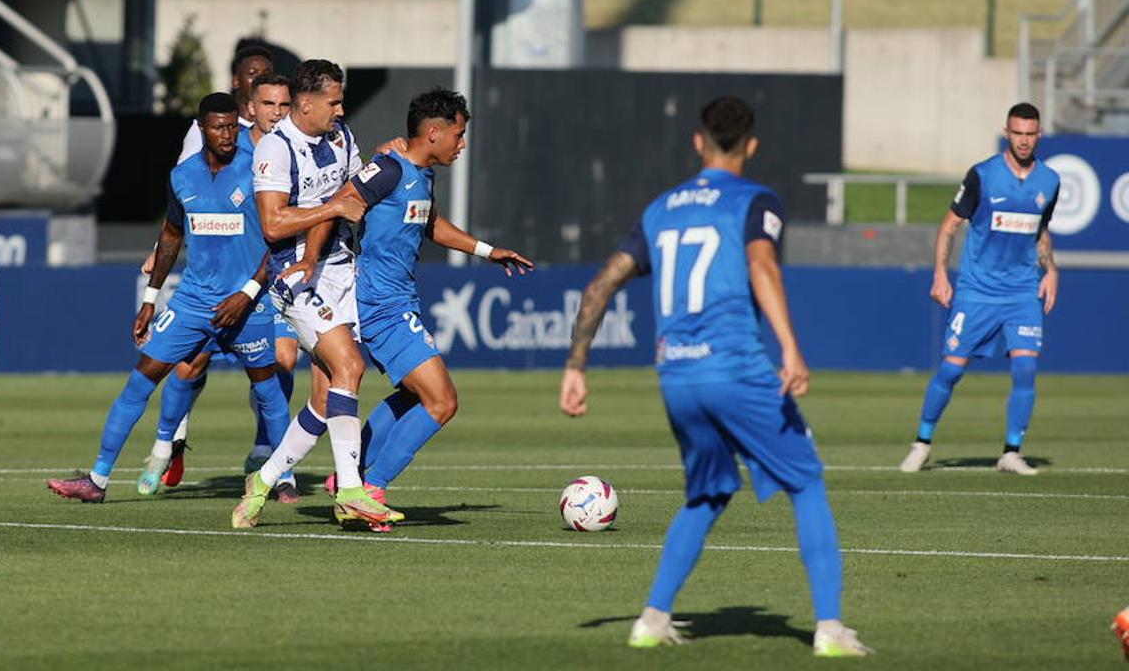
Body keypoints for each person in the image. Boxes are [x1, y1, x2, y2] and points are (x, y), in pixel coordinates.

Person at [558, 96, 870, 657]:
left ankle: (651, 618)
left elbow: (600, 285)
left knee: (708, 493)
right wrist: (792, 348)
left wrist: (576, 366)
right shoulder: (755, 200)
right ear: (751, 146)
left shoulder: (662, 209)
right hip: (736, 369)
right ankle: (830, 629)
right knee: (806, 481)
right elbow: (760, 264)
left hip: (677, 376)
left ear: (698, 141)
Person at [46, 93, 291, 503]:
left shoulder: (257, 171)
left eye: (233, 126)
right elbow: (171, 237)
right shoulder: (183, 177)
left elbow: (278, 236)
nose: (229, 134)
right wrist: (150, 299)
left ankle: (283, 482)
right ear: (202, 129)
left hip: (249, 304)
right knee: (138, 383)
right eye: (219, 127)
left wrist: (248, 293)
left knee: (269, 391)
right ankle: (97, 480)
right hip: (192, 302)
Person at [313, 87, 533, 525]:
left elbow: (429, 223)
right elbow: (336, 207)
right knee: (442, 401)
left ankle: (348, 478)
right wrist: (310, 261)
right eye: (459, 133)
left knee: (416, 394)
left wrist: (489, 251)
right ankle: (370, 487)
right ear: (433, 132)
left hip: (398, 302)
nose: (462, 143)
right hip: (379, 304)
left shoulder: (420, 174)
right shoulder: (389, 169)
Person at [231, 59, 400, 530]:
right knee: (350, 366)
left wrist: (392, 161)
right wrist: (321, 226)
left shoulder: (341, 137)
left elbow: (350, 196)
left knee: (327, 397)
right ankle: (350, 490)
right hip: (295, 278)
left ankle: (261, 483)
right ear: (306, 103)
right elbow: (272, 224)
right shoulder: (276, 149)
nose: (342, 108)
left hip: (342, 269)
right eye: (335, 101)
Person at [143, 74, 304, 503]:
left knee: (282, 363)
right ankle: (169, 443)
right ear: (248, 103)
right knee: (189, 364)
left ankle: (271, 459)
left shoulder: (303, 143)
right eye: (266, 102)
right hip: (226, 276)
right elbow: (185, 205)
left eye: (283, 104)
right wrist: (160, 252)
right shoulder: (223, 144)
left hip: (280, 275)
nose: (275, 111)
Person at [899, 103, 1060, 476]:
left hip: (1022, 292)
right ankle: (922, 442)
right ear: (1007, 132)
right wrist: (940, 273)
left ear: (1039, 135)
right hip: (977, 292)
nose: (1023, 140)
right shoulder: (983, 175)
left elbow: (1040, 230)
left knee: (1025, 369)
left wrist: (1050, 269)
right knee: (951, 371)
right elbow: (949, 225)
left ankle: (1011, 452)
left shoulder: (1049, 181)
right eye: (1017, 133)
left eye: (1030, 133)